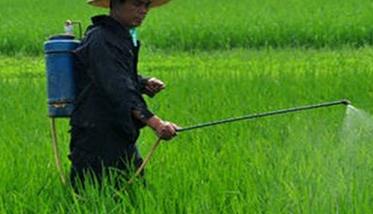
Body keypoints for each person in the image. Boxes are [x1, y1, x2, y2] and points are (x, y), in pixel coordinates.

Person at [69, 0, 178, 190]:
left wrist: (142, 83)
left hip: (119, 132)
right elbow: (118, 88)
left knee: (134, 192)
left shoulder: (119, 37)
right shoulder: (101, 39)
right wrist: (156, 123)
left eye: (146, 5)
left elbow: (119, 76)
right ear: (115, 4)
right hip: (96, 137)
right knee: (91, 197)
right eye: (136, 4)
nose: (143, 11)